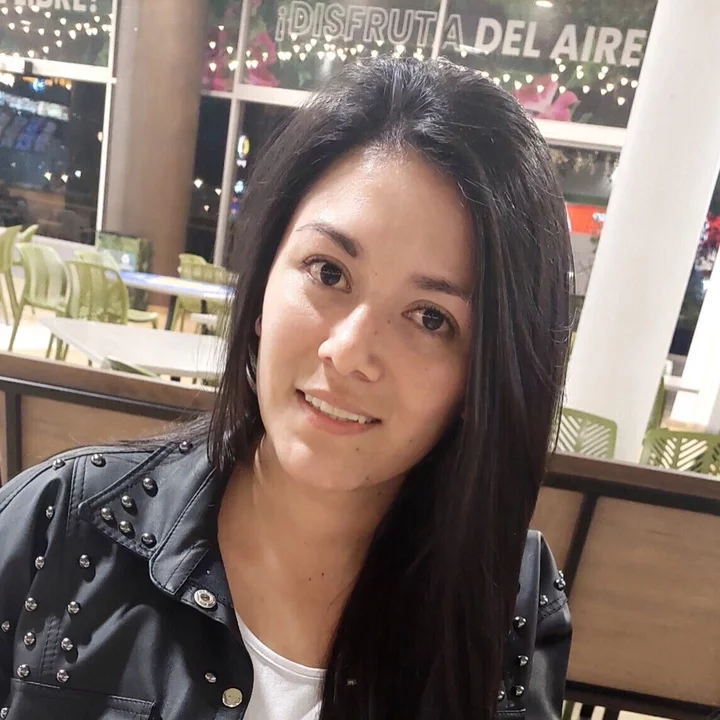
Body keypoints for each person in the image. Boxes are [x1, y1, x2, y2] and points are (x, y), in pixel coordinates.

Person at [0, 58, 572, 720]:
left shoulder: (508, 604)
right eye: (328, 272)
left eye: (430, 318)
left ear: (483, 377)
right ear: (265, 279)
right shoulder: (60, 525)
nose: (349, 351)